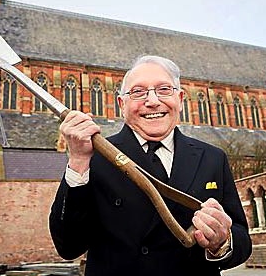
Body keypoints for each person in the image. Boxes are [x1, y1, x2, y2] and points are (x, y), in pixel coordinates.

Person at [49, 55, 252, 276]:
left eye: (164, 89)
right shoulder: (93, 157)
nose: (153, 101)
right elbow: (68, 246)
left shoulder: (213, 158)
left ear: (181, 99)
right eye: (138, 92)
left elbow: (242, 241)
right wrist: (78, 161)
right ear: (121, 104)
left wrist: (222, 242)